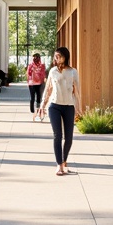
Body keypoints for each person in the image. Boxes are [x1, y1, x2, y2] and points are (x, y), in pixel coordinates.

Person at [36, 47, 81, 175]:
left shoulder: (73, 72)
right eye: (55, 56)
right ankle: (59, 165)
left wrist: (78, 108)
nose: (56, 58)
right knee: (57, 136)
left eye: (59, 56)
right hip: (54, 106)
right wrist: (42, 105)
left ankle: (64, 160)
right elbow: (48, 88)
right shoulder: (53, 71)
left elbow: (77, 91)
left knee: (69, 138)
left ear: (65, 57)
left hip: (68, 106)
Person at [26, 52, 46, 118]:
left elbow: (43, 74)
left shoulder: (42, 65)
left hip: (39, 83)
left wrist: (43, 80)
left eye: (37, 57)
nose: (35, 59)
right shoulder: (30, 65)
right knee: (32, 97)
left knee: (38, 97)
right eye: (34, 57)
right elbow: (28, 74)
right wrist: (28, 81)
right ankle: (32, 109)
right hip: (32, 83)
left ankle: (37, 109)